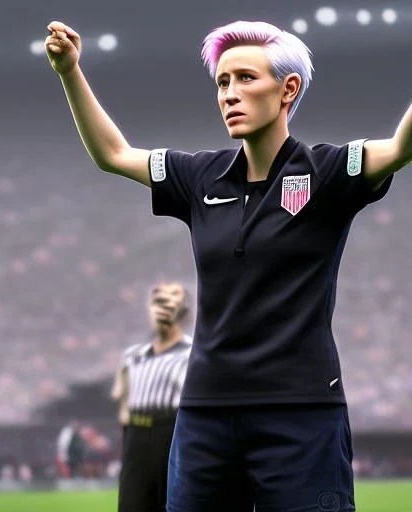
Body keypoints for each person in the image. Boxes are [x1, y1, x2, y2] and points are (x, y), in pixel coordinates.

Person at [45, 19, 411, 512]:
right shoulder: (198, 175)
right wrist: (70, 71)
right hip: (205, 417)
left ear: (288, 90)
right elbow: (113, 154)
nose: (229, 93)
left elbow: (400, 147)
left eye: (245, 78)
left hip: (300, 415)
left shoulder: (327, 171)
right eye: (222, 82)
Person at [109, 282, 192, 511]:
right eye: (158, 300)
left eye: (172, 299)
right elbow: (123, 404)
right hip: (136, 435)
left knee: (170, 502)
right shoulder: (132, 356)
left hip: (170, 431)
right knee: (132, 502)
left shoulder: (192, 353)